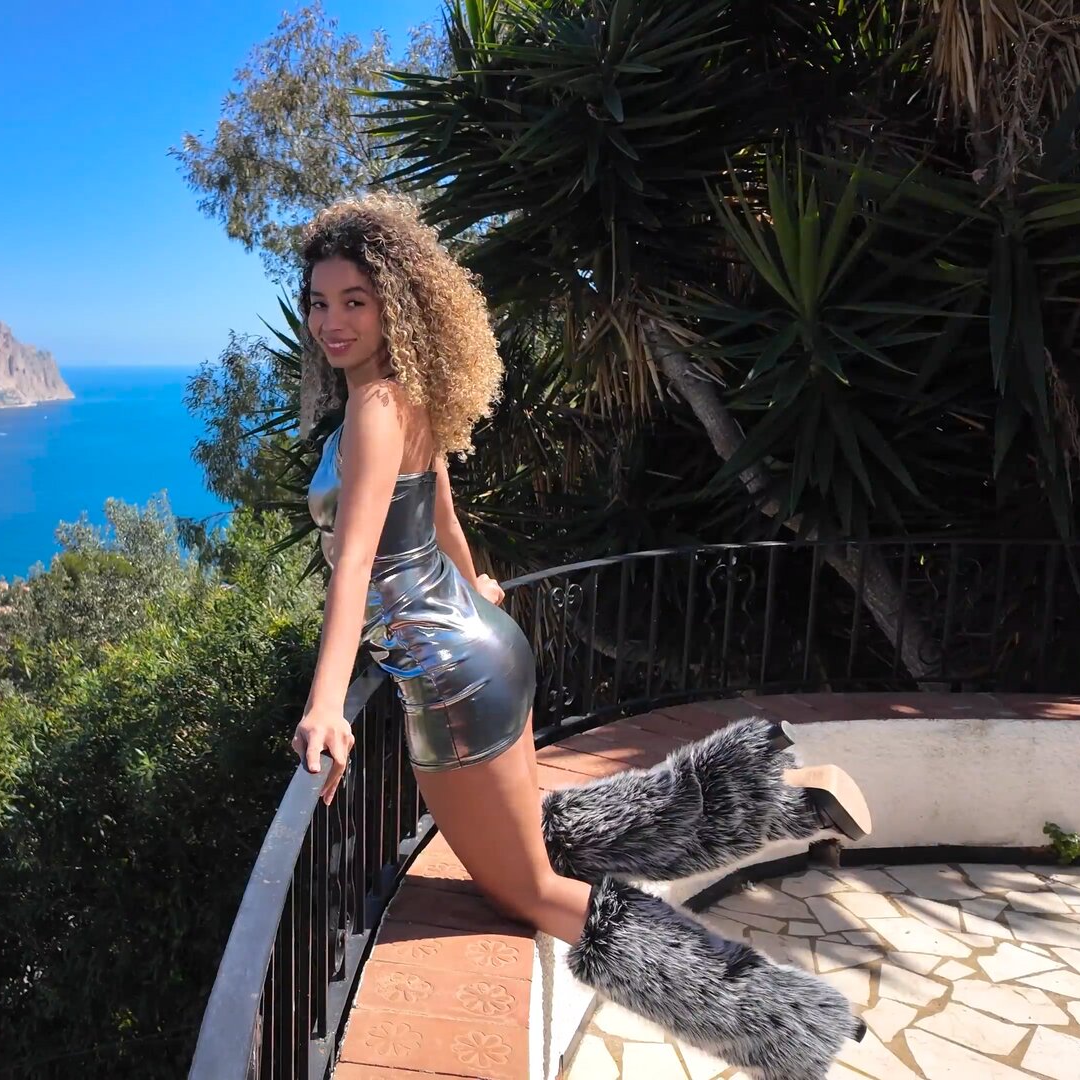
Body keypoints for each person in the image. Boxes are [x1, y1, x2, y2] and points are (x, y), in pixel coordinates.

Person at [289, 194, 874, 1080]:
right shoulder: (405, 396)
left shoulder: (374, 407)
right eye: (320, 303)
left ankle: (780, 1016)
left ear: (394, 304)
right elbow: (442, 518)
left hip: (449, 679)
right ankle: (766, 797)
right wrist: (478, 587)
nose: (333, 321)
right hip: (483, 647)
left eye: (354, 301)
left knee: (524, 891)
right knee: (534, 840)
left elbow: (357, 563)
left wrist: (327, 703)